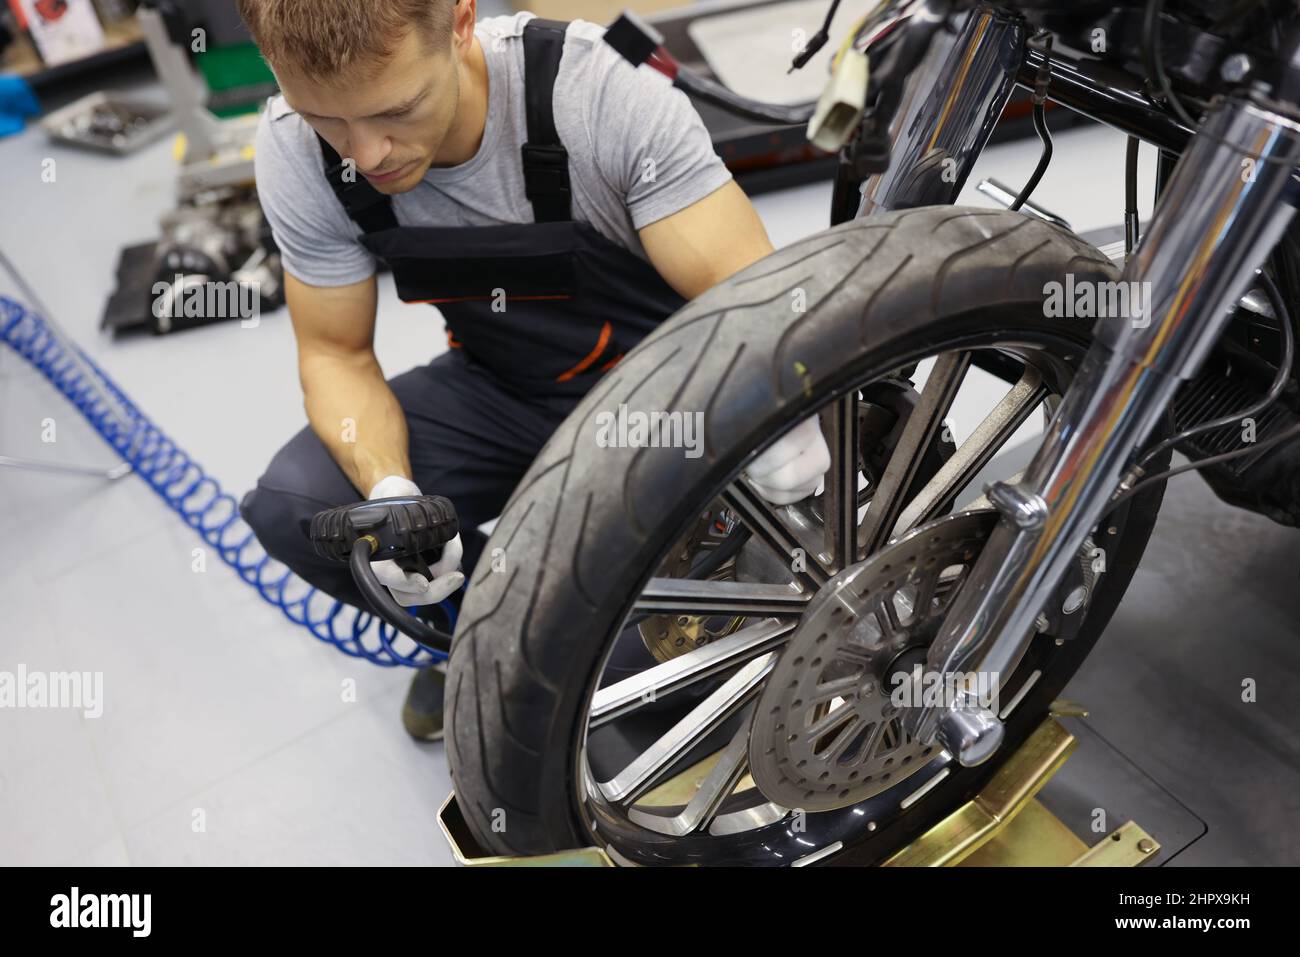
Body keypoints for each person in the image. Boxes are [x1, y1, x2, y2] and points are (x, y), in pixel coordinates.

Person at [236, 0, 831, 740]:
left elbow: (755, 301)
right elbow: (336, 354)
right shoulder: (296, 148)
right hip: (508, 391)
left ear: (458, 23)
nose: (365, 153)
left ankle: (552, 655)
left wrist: (780, 410)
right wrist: (393, 491)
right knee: (298, 505)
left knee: (626, 696)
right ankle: (480, 638)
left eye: (397, 108)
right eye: (329, 120)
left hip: (677, 406)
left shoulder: (595, 95)